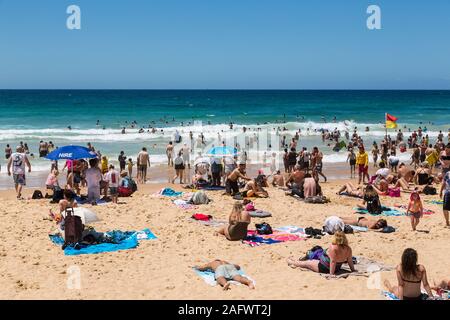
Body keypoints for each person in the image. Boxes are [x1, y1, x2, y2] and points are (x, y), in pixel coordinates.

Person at [287, 231, 355, 275]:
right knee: (313, 259)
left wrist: (331, 274)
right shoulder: (348, 249)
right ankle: (296, 260)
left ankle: (291, 262)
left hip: (324, 267)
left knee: (306, 263)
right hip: (337, 268)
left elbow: (333, 261)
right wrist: (353, 270)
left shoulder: (333, 247)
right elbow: (350, 261)